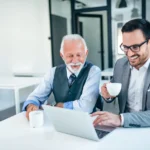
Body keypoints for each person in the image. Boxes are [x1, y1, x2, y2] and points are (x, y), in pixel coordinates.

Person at [23, 34, 101, 120]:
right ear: (62, 55)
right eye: (70, 56)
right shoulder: (53, 72)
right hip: (60, 120)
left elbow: (86, 106)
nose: (75, 61)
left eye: (79, 55)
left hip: (87, 121)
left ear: (86, 53)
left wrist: (58, 106)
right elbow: (36, 96)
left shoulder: (93, 71)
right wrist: (31, 105)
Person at [92, 18, 150, 128]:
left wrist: (121, 119)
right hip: (124, 128)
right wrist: (108, 96)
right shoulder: (120, 65)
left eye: (135, 47)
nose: (129, 53)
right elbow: (113, 93)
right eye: (125, 47)